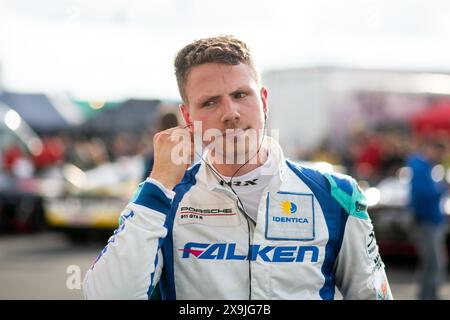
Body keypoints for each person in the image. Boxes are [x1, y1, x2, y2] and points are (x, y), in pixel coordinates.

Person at [83, 35, 393, 300]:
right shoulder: (164, 200)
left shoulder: (337, 196)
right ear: (188, 118)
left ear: (264, 101)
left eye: (240, 95)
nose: (230, 113)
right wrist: (159, 184)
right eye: (210, 102)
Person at [407, 139, 448, 300]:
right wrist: (442, 189)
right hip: (427, 221)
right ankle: (428, 295)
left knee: (431, 263)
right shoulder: (421, 167)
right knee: (433, 263)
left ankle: (427, 294)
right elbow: (422, 195)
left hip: (430, 221)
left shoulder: (424, 167)